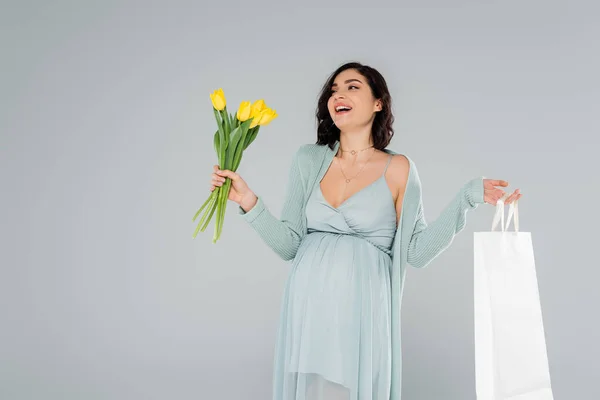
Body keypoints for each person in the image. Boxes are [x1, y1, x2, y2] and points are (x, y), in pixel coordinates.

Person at [208, 62, 521, 400]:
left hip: (363, 310)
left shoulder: (399, 168)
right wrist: (249, 201)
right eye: (333, 90)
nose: (338, 94)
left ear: (378, 103)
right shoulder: (308, 159)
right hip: (308, 305)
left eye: (352, 86)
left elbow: (417, 252)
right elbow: (289, 245)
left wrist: (466, 198)